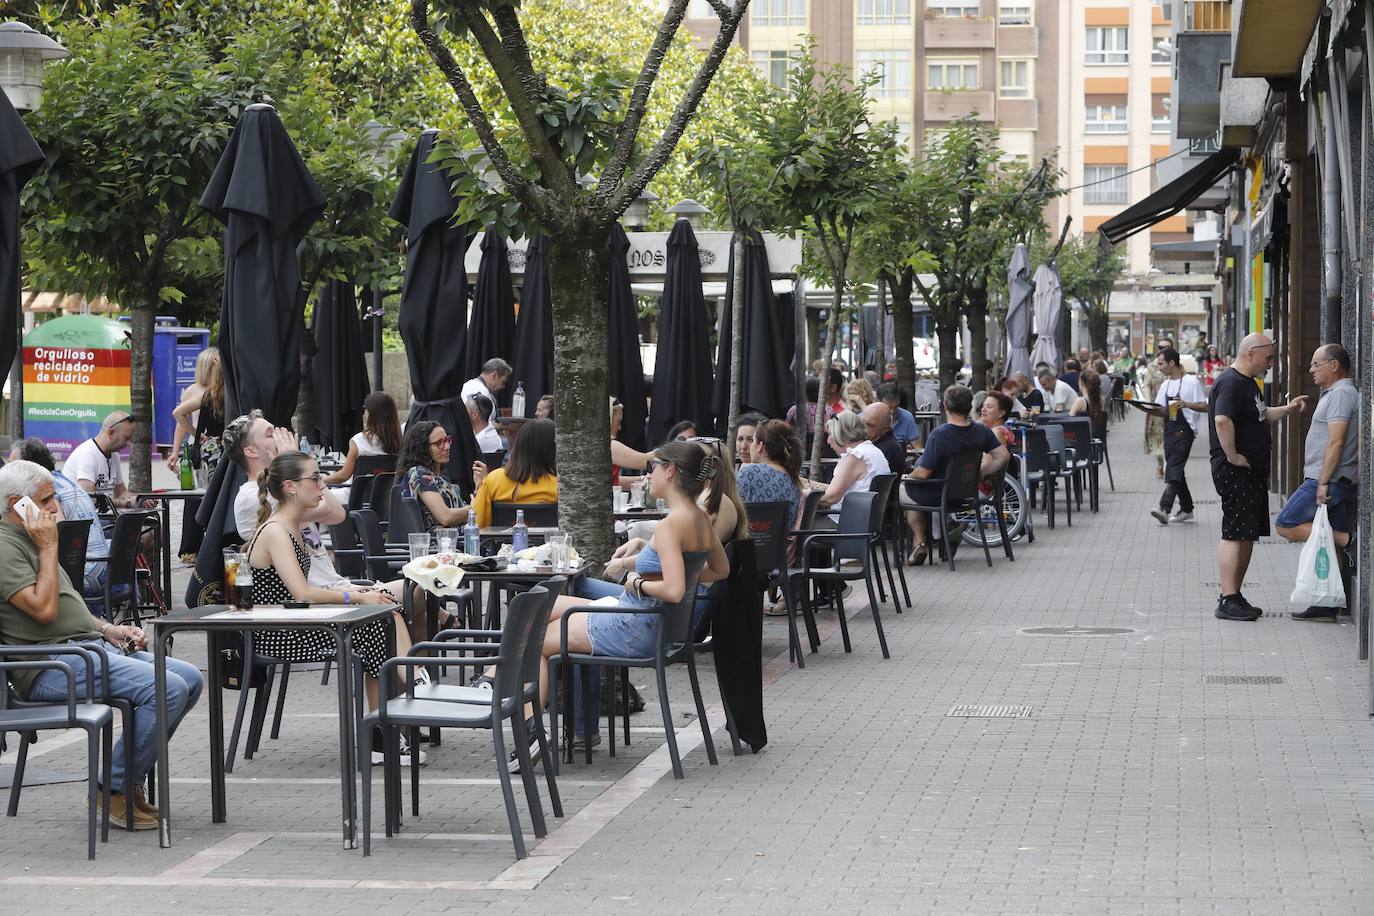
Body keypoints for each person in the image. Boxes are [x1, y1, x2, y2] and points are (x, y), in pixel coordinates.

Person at [487, 441, 729, 769]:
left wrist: (638, 582)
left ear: (670, 471)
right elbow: (720, 569)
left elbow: (673, 590)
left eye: (652, 467)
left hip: (636, 624)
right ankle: (499, 681)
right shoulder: (696, 517)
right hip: (648, 622)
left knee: (536, 640)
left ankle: (530, 730)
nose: (647, 475)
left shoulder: (675, 523)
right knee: (546, 602)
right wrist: (668, 565)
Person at [0, 460, 203, 830]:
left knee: (188, 677)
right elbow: (44, 611)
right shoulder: (7, 547)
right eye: (46, 500)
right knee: (167, 688)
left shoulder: (32, 537)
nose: (54, 508)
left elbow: (65, 605)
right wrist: (48, 549)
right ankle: (111, 788)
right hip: (48, 664)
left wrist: (108, 628)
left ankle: (125, 784)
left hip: (84, 647)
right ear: (17, 503)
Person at [243, 451, 420, 763]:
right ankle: (406, 699)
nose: (322, 484)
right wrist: (357, 597)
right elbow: (301, 592)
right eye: (315, 478)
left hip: (297, 621)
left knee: (383, 614)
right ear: (291, 487)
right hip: (279, 632)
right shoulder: (276, 530)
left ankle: (392, 717)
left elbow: (304, 591)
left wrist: (358, 592)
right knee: (377, 623)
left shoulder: (292, 524)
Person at [1208, 333, 1309, 622]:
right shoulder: (1231, 382)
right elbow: (1221, 419)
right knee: (1234, 532)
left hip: (1250, 470)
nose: (1271, 362)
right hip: (1237, 469)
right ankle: (1227, 597)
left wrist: (1288, 409)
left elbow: (1260, 414)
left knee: (1246, 533)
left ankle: (1234, 595)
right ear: (1251, 353)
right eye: (1269, 357)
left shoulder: (1248, 383)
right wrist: (1232, 455)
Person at [1276, 344, 1359, 621]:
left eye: (1316, 364)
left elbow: (1336, 441)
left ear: (1334, 366)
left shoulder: (1342, 394)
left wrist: (1323, 481)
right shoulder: (1335, 394)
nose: (1311, 369)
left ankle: (1350, 540)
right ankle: (1325, 605)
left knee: (1285, 524)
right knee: (1326, 543)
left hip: (1327, 479)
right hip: (1330, 477)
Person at [902, 385, 1010, 566]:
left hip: (937, 494)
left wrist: (907, 476)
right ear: (970, 406)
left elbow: (923, 473)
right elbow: (1003, 456)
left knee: (903, 491)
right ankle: (945, 530)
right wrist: (980, 473)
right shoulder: (981, 431)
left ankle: (920, 541)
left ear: (945, 405)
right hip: (967, 494)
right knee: (912, 492)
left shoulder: (939, 435)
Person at [10, 437, 110, 608]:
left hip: (83, 575)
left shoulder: (46, 490)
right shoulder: (65, 481)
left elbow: (60, 532)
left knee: (17, 580)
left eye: (13, 466)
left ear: (29, 467)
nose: (8, 472)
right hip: (104, 570)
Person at [1145, 348, 1207, 526]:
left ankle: (1164, 508)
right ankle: (1187, 509)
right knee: (1177, 470)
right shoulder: (1165, 385)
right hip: (1169, 431)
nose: (1159, 368)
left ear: (1172, 363)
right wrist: (1143, 407)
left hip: (1186, 432)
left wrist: (1186, 404)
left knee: (1172, 467)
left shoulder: (1191, 382)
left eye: (1161, 364)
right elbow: (1160, 409)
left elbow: (1205, 406)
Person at [470, 418, 558, 528]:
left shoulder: (493, 480)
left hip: (504, 544)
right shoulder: (560, 486)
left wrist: (478, 491)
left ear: (519, 444)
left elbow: (478, 526)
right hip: (550, 544)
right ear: (554, 449)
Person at [805, 410, 886, 522]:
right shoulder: (873, 452)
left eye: (830, 435)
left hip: (846, 524)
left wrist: (799, 493)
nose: (828, 441)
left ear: (840, 435)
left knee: (794, 527)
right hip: (865, 523)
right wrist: (805, 483)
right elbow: (836, 489)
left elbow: (831, 497)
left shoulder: (855, 457)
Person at [396, 421, 473, 529]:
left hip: (456, 540)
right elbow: (445, 517)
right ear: (422, 448)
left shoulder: (442, 479)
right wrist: (474, 509)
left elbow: (464, 514)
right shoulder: (419, 475)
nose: (447, 447)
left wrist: (480, 485)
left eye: (447, 440)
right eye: (439, 443)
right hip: (434, 543)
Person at [323, 391, 402, 487]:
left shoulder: (359, 441)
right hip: (387, 498)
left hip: (358, 496)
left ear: (372, 414)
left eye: (365, 409)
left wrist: (321, 479)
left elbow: (344, 475)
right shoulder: (401, 441)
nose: (364, 412)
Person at [165, 346, 225, 473]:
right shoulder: (193, 391)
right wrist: (176, 451)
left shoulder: (221, 390)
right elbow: (181, 423)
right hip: (199, 444)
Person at [64, 411, 138, 507]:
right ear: (111, 433)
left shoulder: (114, 454)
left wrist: (138, 500)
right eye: (126, 438)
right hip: (84, 517)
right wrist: (126, 503)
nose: (129, 444)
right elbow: (89, 499)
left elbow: (121, 492)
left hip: (104, 515)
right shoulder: (87, 454)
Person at [862, 402, 905, 475]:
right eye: (862, 422)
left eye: (870, 425)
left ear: (885, 429)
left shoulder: (888, 449)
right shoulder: (874, 443)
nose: (863, 428)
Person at [1140, 353, 1166, 478]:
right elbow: (1146, 386)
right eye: (1161, 348)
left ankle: (1170, 467)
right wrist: (1148, 405)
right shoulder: (1151, 367)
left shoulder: (1176, 367)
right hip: (1156, 409)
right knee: (1156, 440)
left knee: (1170, 439)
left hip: (1172, 409)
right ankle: (1160, 464)